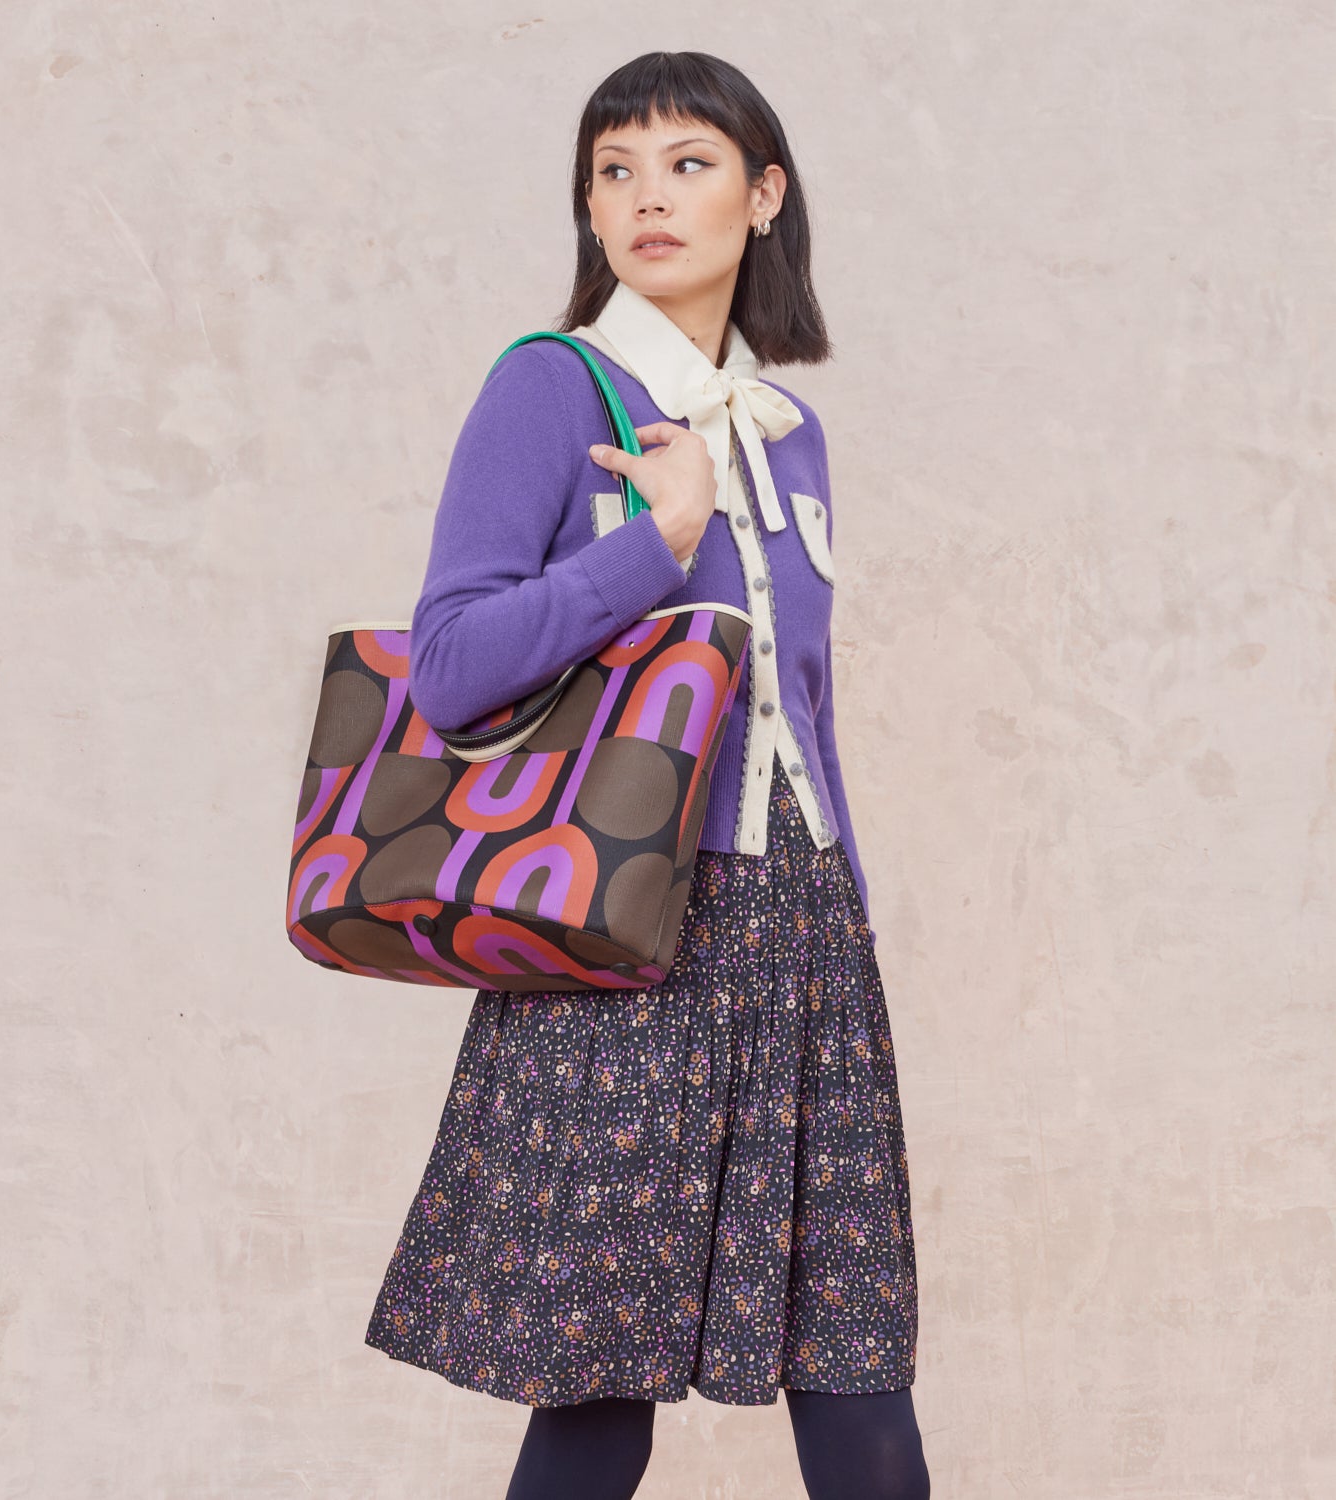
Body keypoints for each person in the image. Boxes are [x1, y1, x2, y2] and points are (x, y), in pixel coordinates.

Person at [363, 51, 930, 1500]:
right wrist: (653, 546)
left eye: (687, 163)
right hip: (629, 929)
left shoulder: (790, 436)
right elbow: (451, 661)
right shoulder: (550, 391)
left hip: (801, 934)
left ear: (766, 194)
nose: (645, 197)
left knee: (862, 1391)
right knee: (597, 1398)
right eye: (614, 170)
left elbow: (801, 708)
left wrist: (848, 914)